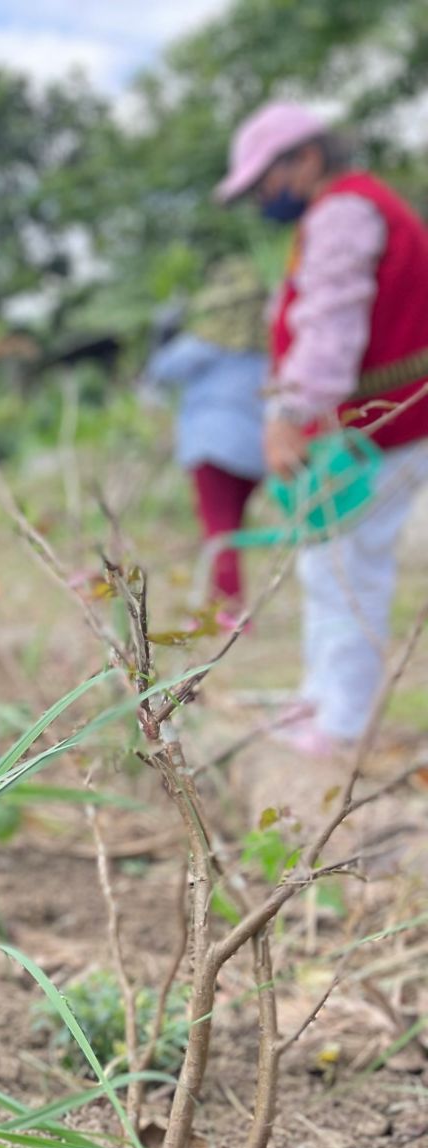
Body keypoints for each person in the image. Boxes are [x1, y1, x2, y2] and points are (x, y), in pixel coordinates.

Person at [216, 102, 428, 755]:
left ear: (305, 159)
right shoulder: (360, 207)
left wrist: (288, 416)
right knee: (327, 564)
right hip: (377, 425)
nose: (262, 198)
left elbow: (329, 328)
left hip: (380, 427)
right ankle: (321, 699)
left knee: (344, 567)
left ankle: (338, 722)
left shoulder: (342, 212)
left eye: (264, 183)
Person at [140, 256, 270, 623]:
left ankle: (229, 616)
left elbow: (159, 371)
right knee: (231, 533)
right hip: (254, 452)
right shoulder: (268, 349)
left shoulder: (203, 344)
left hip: (211, 448)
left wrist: (162, 336)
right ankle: (223, 606)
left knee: (219, 534)